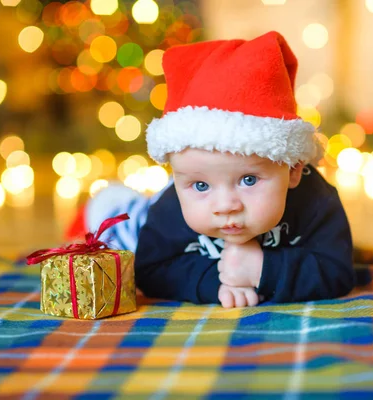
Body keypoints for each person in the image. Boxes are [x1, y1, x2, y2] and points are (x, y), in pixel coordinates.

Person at [69, 31, 355, 308]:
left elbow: (337, 271)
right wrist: (216, 282)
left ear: (293, 170)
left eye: (248, 179)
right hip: (137, 224)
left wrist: (261, 268)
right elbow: (151, 268)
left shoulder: (315, 200)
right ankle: (111, 203)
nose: (225, 205)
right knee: (114, 229)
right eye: (202, 186)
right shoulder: (171, 209)